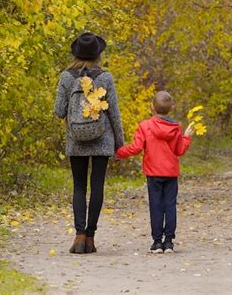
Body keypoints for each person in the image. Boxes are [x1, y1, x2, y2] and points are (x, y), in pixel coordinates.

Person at [54, 32, 124, 254]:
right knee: (97, 187)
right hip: (102, 139)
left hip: (76, 139)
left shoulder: (66, 77)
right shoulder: (105, 77)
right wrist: (119, 142)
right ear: (97, 54)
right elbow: (114, 113)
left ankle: (79, 236)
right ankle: (91, 238)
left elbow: (58, 111)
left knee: (78, 186)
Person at [116, 91, 193, 253]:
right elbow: (179, 150)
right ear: (172, 108)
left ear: (152, 107)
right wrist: (186, 138)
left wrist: (119, 153)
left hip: (153, 174)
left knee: (156, 205)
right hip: (171, 174)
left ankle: (157, 242)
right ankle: (169, 242)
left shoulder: (145, 126)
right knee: (170, 205)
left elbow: (136, 148)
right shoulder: (176, 128)